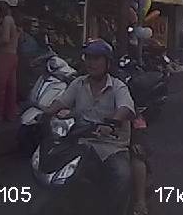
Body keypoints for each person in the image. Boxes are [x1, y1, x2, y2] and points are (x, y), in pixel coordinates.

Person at [49, 40, 136, 215]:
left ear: (108, 62)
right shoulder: (78, 83)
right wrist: (44, 113)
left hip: (111, 146)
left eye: (96, 58)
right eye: (88, 58)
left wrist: (112, 123)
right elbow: (62, 102)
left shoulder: (118, 86)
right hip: (82, 142)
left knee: (122, 175)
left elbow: (125, 108)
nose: (91, 63)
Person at [0, 0, 20, 122]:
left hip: (5, 55)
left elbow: (5, 39)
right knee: (11, 87)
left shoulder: (7, 20)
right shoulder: (12, 20)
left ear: (6, 4)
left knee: (1, 86)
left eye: (2, 3)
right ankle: (10, 114)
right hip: (13, 56)